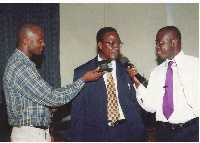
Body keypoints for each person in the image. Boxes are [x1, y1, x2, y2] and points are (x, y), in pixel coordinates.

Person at [3, 23, 104, 142]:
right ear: (26, 41)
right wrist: (83, 80)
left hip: (33, 133)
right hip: (29, 135)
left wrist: (47, 108)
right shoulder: (21, 66)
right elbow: (52, 97)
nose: (43, 44)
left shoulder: (23, 64)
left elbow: (32, 100)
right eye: (40, 40)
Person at [70, 27, 144, 142]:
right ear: (100, 45)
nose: (116, 47)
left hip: (127, 132)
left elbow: (136, 101)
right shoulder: (83, 72)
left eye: (118, 43)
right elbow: (78, 113)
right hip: (98, 135)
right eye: (112, 43)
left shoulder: (126, 69)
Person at [127, 26, 199, 142]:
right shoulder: (156, 72)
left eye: (160, 42)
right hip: (164, 133)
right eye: (156, 43)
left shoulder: (196, 65)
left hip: (192, 132)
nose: (157, 47)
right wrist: (138, 85)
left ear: (174, 42)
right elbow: (150, 107)